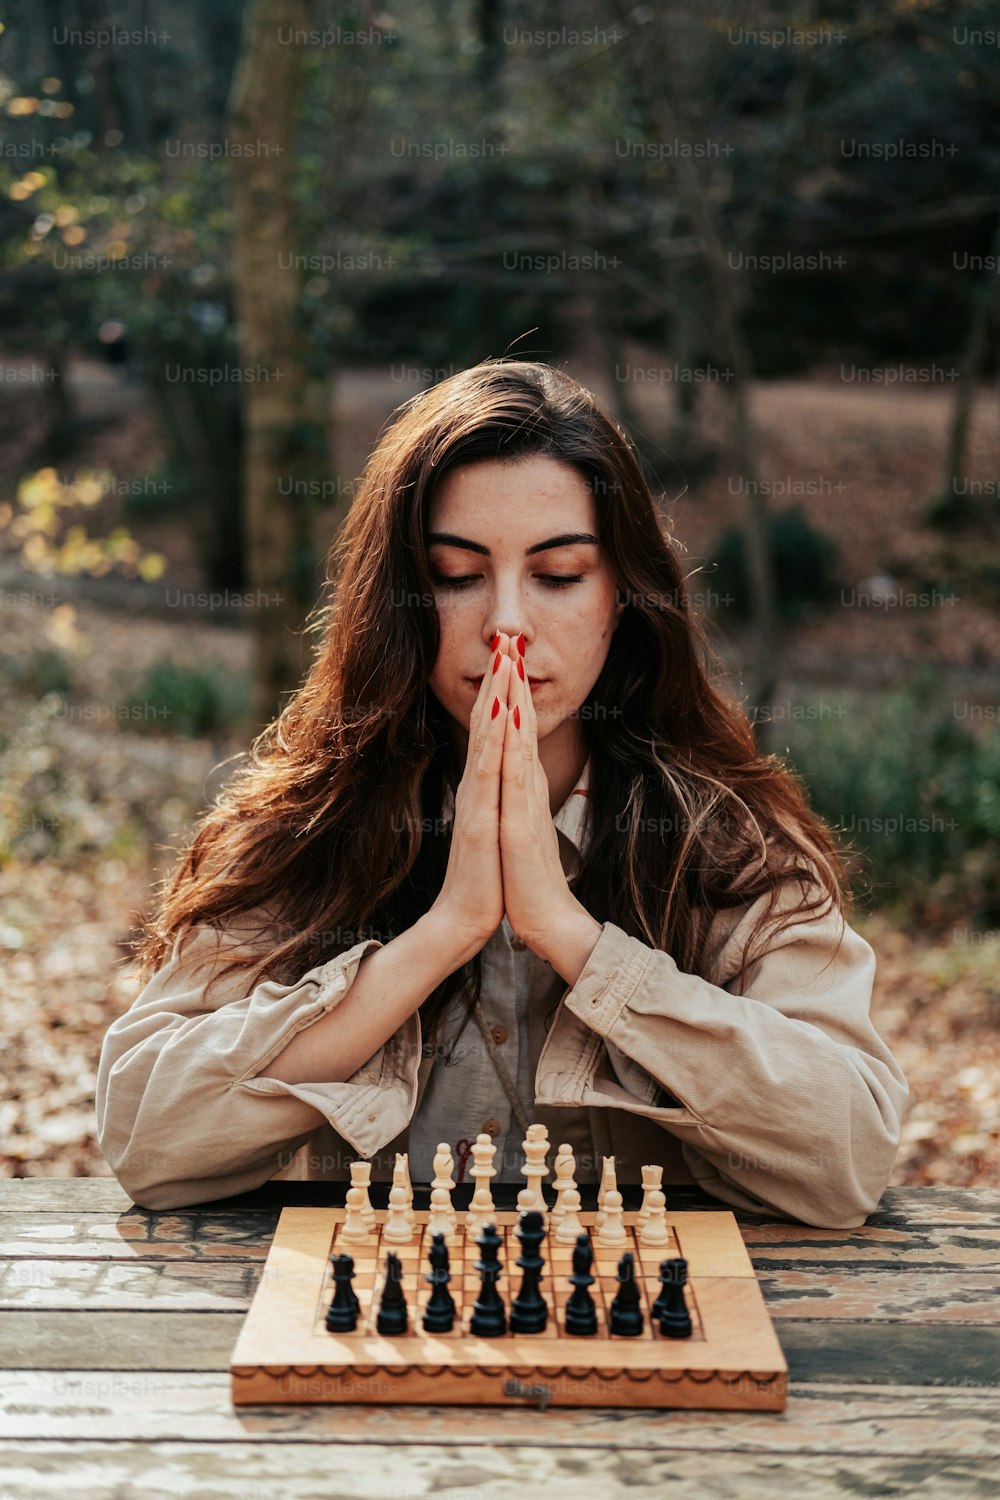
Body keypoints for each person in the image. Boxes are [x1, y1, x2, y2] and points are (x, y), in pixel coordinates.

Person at [96, 359, 907, 1226]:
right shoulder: (307, 829)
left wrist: (572, 938)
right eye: (455, 574)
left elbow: (847, 1160)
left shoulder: (726, 843)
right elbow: (149, 1141)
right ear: (397, 601)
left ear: (621, 598)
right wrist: (443, 934)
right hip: (369, 1343)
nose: (507, 624)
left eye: (558, 575)